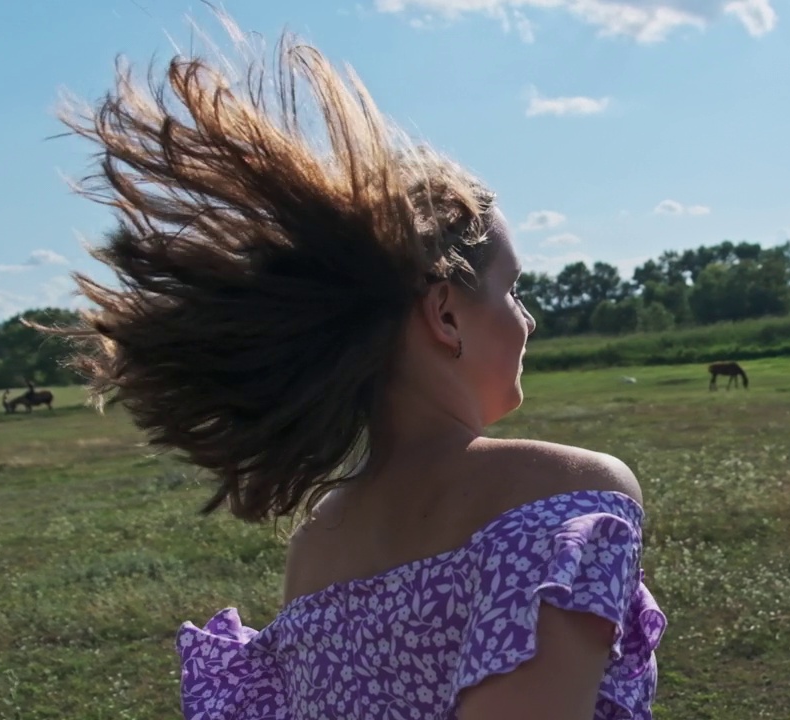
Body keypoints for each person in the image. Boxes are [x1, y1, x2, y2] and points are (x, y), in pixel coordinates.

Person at [56, 19, 665, 720]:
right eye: (512, 290)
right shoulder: (563, 497)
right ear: (444, 314)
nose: (527, 321)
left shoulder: (319, 546)